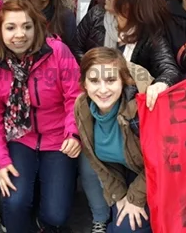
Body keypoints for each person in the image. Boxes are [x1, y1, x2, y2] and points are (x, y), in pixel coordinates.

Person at [0, 0, 82, 233]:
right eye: (11, 27)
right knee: (14, 202)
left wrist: (73, 133)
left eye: (26, 26)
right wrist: (0, 162)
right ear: (0, 31)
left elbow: (75, 96)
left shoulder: (57, 52)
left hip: (57, 138)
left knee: (56, 214)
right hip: (19, 137)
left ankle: (43, 222)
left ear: (36, 27)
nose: (20, 34)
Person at [75, 47, 152, 233]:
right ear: (84, 83)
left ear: (123, 82)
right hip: (121, 172)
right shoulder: (82, 107)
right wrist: (119, 196)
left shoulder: (139, 110)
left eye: (110, 80)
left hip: (150, 177)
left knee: (124, 229)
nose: (102, 90)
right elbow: (95, 161)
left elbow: (160, 162)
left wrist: (135, 198)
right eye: (94, 80)